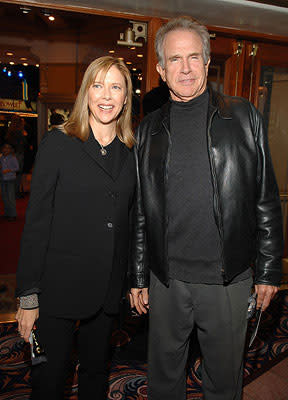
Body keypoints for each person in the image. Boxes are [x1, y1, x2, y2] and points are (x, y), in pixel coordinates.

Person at [129, 17, 283, 400]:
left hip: (228, 279)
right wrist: (138, 275)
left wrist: (268, 270)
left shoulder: (244, 116)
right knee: (164, 379)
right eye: (175, 60)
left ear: (207, 61)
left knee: (224, 380)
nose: (185, 68)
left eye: (193, 57)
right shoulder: (148, 129)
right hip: (167, 281)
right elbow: (142, 212)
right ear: (161, 70)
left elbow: (265, 198)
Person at [15, 56, 136, 399]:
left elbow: (131, 221)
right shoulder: (59, 144)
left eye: (116, 86)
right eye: (98, 85)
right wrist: (28, 297)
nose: (106, 95)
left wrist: (133, 280)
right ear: (86, 93)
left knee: (96, 375)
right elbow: (37, 224)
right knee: (48, 380)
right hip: (58, 289)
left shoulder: (131, 152)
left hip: (108, 291)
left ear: (126, 97)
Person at [5, 114, 27, 198]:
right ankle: (16, 192)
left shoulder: (10, 131)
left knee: (12, 174)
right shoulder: (19, 132)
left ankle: (12, 192)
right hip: (18, 154)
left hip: (12, 154)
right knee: (17, 174)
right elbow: (23, 143)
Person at [0, 143, 19, 221]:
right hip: (2, 179)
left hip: (10, 179)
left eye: (8, 148)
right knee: (4, 197)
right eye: (4, 148)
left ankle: (13, 214)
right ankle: (7, 213)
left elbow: (17, 168)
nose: (6, 150)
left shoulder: (13, 158)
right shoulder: (1, 158)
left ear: (11, 150)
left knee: (10, 197)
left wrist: (9, 170)